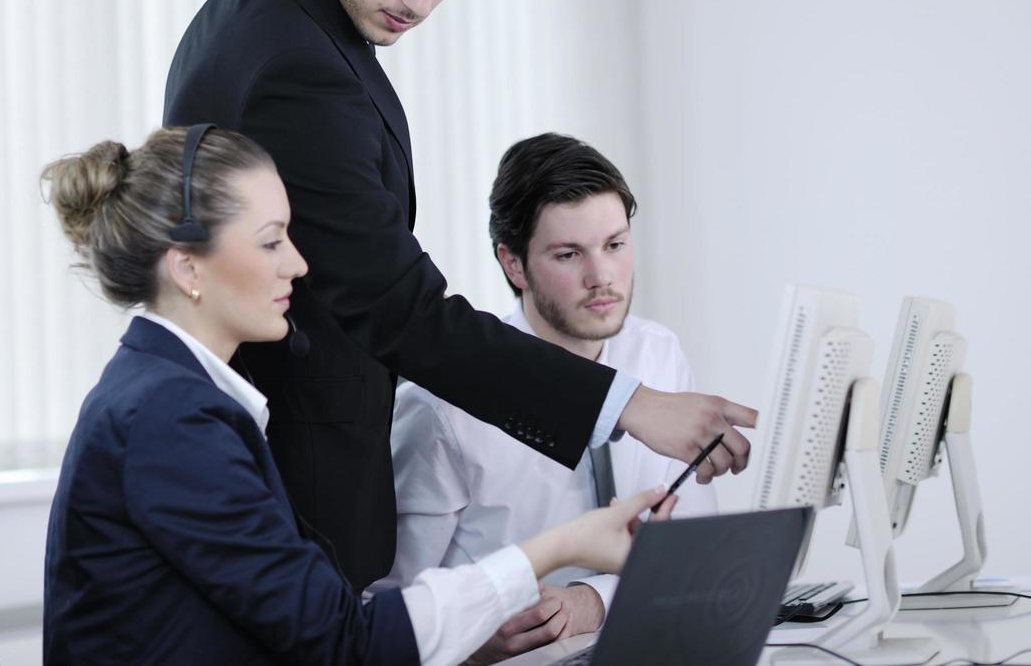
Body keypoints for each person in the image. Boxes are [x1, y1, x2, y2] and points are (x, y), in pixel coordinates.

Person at [164, 0, 754, 588]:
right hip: (296, 484)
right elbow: (394, 305)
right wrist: (626, 405)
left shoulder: (263, 14)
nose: (421, 2)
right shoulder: (297, 64)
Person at [40, 124, 677, 665]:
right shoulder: (170, 417)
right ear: (187, 268)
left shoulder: (169, 394)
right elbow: (341, 642)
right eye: (270, 242)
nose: (298, 263)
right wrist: (561, 548)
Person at [377, 134, 718, 662]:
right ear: (514, 265)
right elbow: (385, 606)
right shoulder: (440, 405)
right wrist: (468, 645)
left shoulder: (657, 354)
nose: (601, 277)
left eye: (615, 245)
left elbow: (695, 553)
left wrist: (591, 602)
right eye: (568, 254)